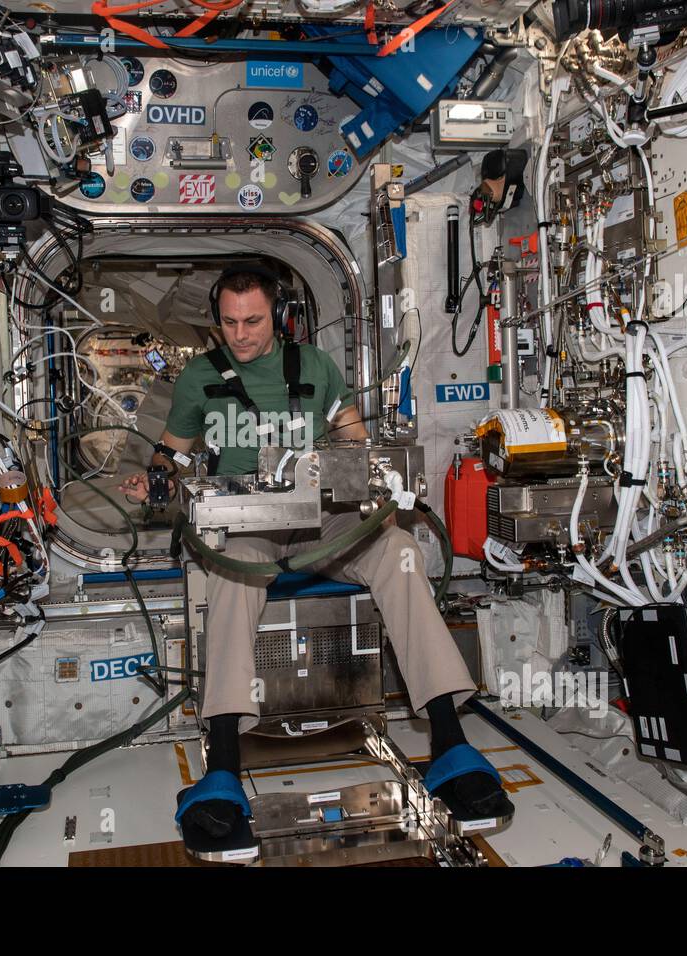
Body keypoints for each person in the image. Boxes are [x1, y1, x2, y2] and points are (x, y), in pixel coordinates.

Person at [120, 266, 513, 854]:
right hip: (248, 525)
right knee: (229, 573)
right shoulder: (200, 378)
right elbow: (169, 457)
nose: (240, 334)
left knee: (401, 552)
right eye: (228, 322)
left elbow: (357, 444)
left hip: (323, 520)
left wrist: (375, 477)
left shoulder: (317, 370)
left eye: (252, 321)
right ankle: (223, 765)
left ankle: (450, 744)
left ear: (276, 316)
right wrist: (152, 480)